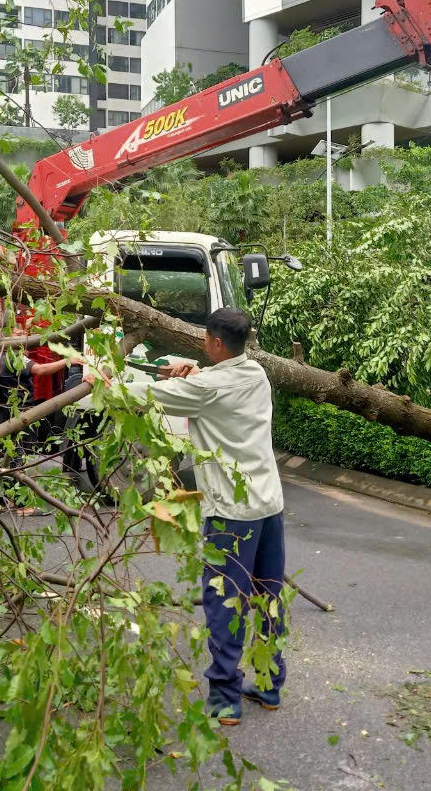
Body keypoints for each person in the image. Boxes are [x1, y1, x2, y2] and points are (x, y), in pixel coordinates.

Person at [84, 308, 285, 725]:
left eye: (204, 342)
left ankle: (226, 699)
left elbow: (142, 395)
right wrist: (191, 368)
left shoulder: (207, 388)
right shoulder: (257, 375)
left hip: (232, 512)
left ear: (214, 343)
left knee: (224, 603)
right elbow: (214, 380)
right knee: (267, 596)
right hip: (269, 505)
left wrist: (102, 382)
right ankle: (269, 683)